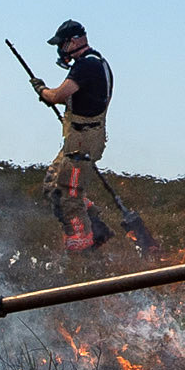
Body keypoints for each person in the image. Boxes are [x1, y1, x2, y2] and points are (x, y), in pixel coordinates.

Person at [32, 20, 115, 253]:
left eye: (63, 44)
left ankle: (83, 244)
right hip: (78, 140)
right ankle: (96, 225)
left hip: (82, 142)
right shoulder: (95, 63)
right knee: (52, 185)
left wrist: (42, 91)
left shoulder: (87, 66)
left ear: (75, 41)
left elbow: (59, 95)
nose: (61, 50)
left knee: (68, 194)